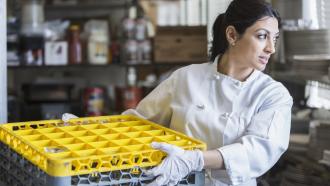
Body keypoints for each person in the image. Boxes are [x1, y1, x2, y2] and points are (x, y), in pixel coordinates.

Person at [63, 0, 292, 185]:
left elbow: (259, 151)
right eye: (262, 36)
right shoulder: (187, 78)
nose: (271, 48)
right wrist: (91, 132)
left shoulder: (272, 94)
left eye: (275, 38)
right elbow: (139, 122)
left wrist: (195, 160)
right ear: (232, 35)